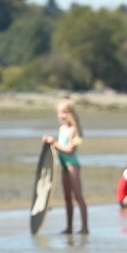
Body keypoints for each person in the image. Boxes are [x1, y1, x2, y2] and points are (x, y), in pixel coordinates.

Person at [42, 100, 89, 234]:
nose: (60, 115)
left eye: (63, 112)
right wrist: (49, 143)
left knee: (78, 196)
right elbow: (58, 149)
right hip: (63, 166)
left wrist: (54, 143)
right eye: (59, 112)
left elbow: (69, 150)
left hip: (72, 165)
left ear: (70, 113)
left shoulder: (74, 130)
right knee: (67, 197)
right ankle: (69, 227)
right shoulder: (62, 129)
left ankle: (85, 227)